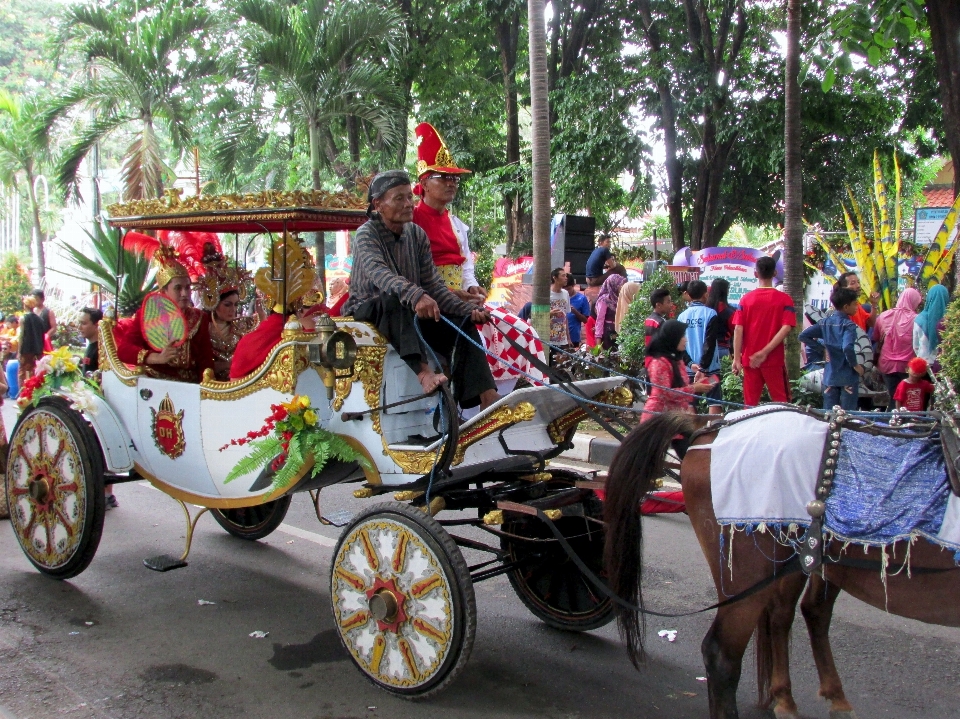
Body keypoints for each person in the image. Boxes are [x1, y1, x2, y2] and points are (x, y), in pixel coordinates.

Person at [343, 170, 499, 409]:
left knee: (462, 321)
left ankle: (487, 398)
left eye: (409, 197)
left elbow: (433, 285)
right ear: (378, 204)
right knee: (394, 299)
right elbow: (381, 276)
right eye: (399, 198)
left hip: (409, 309)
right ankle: (424, 373)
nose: (408, 204)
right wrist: (416, 295)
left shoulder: (417, 234)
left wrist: (465, 309)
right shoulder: (367, 234)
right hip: (370, 308)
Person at [115, 234, 214, 382]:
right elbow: (124, 350)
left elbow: (205, 360)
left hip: (190, 385)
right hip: (156, 383)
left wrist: (207, 388)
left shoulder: (199, 317)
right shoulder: (147, 315)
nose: (184, 293)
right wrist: (156, 358)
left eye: (188, 288)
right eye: (178, 288)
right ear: (163, 292)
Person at [411, 122, 484, 305]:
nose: (451, 183)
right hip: (425, 302)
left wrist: (471, 286)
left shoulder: (457, 225)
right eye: (443, 177)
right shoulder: (410, 220)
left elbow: (466, 264)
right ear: (425, 184)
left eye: (454, 178)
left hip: (458, 301)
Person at [731, 256, 796, 406]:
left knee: (749, 404)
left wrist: (736, 358)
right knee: (782, 404)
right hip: (774, 360)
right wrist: (765, 352)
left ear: (755, 274)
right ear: (775, 273)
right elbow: (786, 328)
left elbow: (738, 329)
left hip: (750, 359)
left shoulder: (745, 300)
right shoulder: (785, 299)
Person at [799, 287, 864, 411]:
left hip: (830, 376)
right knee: (847, 415)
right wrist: (856, 366)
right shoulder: (849, 325)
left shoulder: (825, 323)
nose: (857, 307)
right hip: (848, 376)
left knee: (828, 414)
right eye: (855, 304)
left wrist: (822, 348)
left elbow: (803, 335)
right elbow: (847, 348)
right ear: (846, 307)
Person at [642, 319, 714, 418]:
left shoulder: (676, 359)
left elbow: (678, 388)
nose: (686, 339)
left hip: (675, 417)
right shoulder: (659, 363)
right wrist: (694, 388)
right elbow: (665, 393)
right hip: (659, 419)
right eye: (683, 336)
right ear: (673, 337)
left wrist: (697, 385)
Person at [678, 279, 721, 411]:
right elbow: (710, 343)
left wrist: (690, 363)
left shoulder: (681, 316)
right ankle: (713, 430)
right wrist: (703, 368)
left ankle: (691, 432)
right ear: (705, 294)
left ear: (689, 295)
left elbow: (680, 345)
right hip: (710, 370)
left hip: (690, 369)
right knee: (714, 401)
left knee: (690, 403)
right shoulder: (711, 314)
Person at [872, 286, 921, 403]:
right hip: (908, 366)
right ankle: (901, 419)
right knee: (907, 400)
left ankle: (891, 419)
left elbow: (876, 337)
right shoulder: (917, 319)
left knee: (894, 397)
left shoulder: (883, 316)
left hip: (886, 364)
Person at [914, 283, 949, 371]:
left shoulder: (919, 319)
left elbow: (915, 345)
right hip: (943, 365)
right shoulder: (951, 320)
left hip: (922, 364)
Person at [18, 295, 46, 389]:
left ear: (25, 305)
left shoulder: (23, 318)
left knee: (22, 372)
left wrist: (18, 352)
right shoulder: (40, 319)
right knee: (36, 371)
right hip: (38, 349)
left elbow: (21, 336)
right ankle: (34, 391)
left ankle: (22, 393)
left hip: (26, 349)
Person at [593, 273, 627, 349]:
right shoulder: (604, 300)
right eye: (620, 286)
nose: (621, 288)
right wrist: (598, 343)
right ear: (614, 285)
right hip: (607, 334)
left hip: (618, 332)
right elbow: (600, 320)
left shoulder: (619, 299)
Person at [549, 268, 572, 347]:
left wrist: (568, 338)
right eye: (563, 276)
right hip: (548, 339)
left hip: (562, 340)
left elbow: (566, 317)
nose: (566, 278)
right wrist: (549, 314)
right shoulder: (547, 294)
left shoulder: (566, 293)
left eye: (566, 275)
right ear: (554, 278)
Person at [565, 275, 591, 347]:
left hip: (574, 337)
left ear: (573, 285)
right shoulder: (559, 297)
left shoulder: (582, 299)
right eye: (564, 289)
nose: (566, 292)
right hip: (558, 337)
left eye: (568, 289)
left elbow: (586, 320)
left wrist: (575, 312)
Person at [78, 307, 102, 376]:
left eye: (83, 323)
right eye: (79, 323)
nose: (79, 327)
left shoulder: (100, 350)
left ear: (96, 325)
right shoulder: (92, 345)